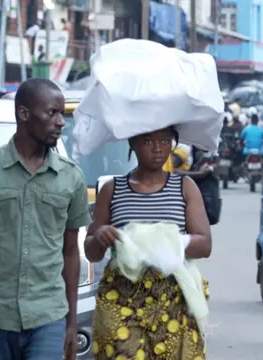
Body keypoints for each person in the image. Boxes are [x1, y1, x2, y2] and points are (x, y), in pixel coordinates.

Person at [0, 78, 92, 360]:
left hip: (48, 315)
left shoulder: (71, 177)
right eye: (51, 113)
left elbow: (70, 254)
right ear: (24, 114)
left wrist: (71, 323)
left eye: (61, 114)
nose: (60, 122)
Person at [84, 126, 211, 360]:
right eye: (148, 141)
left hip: (174, 298)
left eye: (164, 141)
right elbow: (91, 251)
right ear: (132, 143)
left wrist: (164, 244)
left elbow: (204, 245)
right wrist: (100, 236)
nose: (157, 149)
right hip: (122, 297)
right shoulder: (112, 190)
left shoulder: (185, 188)